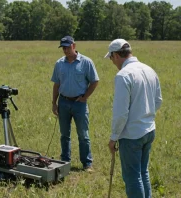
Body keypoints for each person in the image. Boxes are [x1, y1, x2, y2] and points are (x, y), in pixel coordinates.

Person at [106, 39, 162, 197]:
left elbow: (121, 113)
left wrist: (113, 137)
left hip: (132, 136)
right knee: (142, 172)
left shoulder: (123, 75)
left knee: (132, 176)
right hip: (149, 130)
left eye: (111, 58)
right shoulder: (149, 69)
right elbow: (158, 101)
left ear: (116, 55)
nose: (112, 62)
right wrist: (145, 115)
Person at [51, 36, 99, 172]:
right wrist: (54, 103)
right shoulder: (59, 64)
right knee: (64, 134)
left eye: (68, 47)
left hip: (79, 104)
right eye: (63, 48)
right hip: (64, 102)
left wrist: (85, 97)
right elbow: (56, 84)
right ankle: (65, 161)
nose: (65, 50)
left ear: (74, 45)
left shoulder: (86, 62)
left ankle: (87, 163)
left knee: (83, 134)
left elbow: (94, 81)